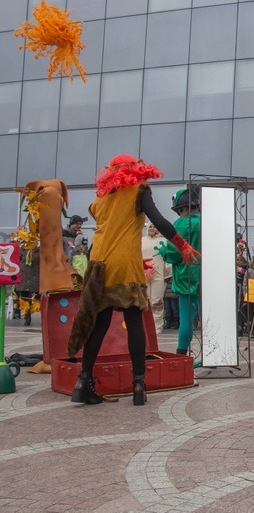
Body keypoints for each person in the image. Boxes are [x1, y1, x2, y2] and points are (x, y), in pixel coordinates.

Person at [67, 155, 199, 406]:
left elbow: (109, 233)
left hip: (99, 263)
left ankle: (83, 382)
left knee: (99, 324)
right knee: (134, 322)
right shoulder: (138, 190)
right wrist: (182, 245)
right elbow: (159, 221)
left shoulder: (100, 199)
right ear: (135, 171)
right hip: (125, 266)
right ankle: (139, 385)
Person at [156, 187, 202, 355]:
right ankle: (213, 353)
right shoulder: (207, 222)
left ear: (182, 208)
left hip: (186, 276)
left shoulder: (180, 224)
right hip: (207, 275)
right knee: (208, 318)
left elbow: (174, 253)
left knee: (186, 319)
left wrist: (163, 251)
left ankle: (181, 353)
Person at [141, 222, 168, 335]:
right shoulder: (141, 241)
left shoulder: (163, 242)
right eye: (150, 227)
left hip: (158, 275)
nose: (152, 229)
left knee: (157, 301)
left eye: (154, 226)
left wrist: (167, 274)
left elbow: (168, 259)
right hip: (143, 274)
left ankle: (157, 327)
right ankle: (145, 326)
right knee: (145, 301)